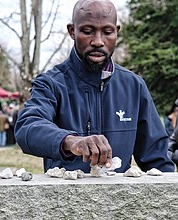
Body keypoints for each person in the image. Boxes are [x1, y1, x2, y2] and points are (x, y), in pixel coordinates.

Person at [15, 0, 174, 173]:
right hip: (64, 197)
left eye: (107, 32)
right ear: (72, 31)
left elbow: (158, 162)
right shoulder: (51, 83)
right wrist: (71, 141)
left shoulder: (134, 86)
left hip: (122, 198)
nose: (98, 41)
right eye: (87, 31)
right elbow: (27, 127)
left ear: (116, 32)